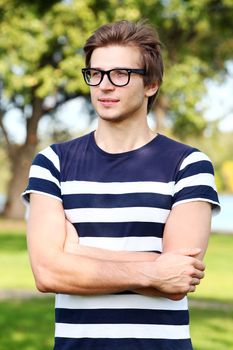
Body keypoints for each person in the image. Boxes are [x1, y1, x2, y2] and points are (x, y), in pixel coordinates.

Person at [22, 20, 220, 350]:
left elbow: (178, 279)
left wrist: (75, 252)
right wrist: (154, 271)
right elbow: (47, 274)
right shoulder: (52, 163)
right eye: (95, 74)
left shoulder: (189, 165)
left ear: (151, 84)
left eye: (120, 74)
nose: (104, 85)